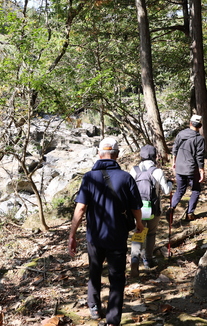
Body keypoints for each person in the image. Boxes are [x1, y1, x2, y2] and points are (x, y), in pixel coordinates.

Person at [68, 137, 143, 326]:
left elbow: (80, 208)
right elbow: (135, 208)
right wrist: (139, 224)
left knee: (94, 271)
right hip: (118, 237)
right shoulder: (126, 177)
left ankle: (94, 308)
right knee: (117, 277)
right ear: (117, 155)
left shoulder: (89, 177)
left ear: (99, 154)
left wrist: (72, 235)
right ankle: (112, 320)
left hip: (95, 236)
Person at [128, 145, 173, 275]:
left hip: (137, 209)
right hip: (153, 209)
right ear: (155, 156)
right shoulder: (157, 171)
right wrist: (170, 183)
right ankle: (148, 259)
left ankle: (135, 257)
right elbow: (166, 191)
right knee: (151, 233)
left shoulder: (134, 170)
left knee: (138, 231)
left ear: (141, 156)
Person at [167, 114, 206, 225]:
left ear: (190, 123)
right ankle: (190, 214)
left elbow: (175, 148)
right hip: (191, 169)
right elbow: (199, 156)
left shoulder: (181, 134)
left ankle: (171, 207)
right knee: (196, 190)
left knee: (180, 189)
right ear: (200, 126)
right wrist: (202, 171)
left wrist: (174, 162)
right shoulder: (199, 139)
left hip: (179, 167)